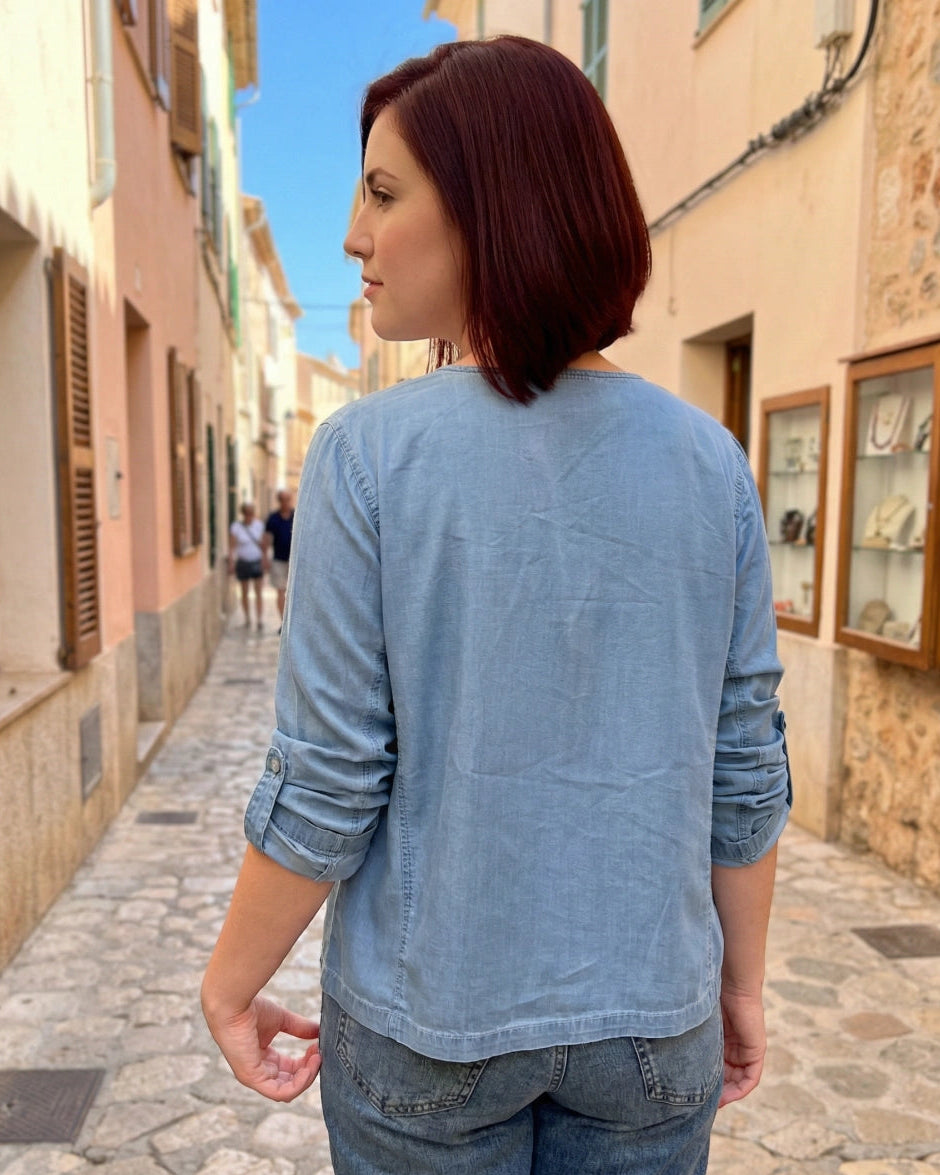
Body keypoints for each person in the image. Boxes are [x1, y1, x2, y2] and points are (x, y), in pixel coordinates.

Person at [202, 35, 791, 1175]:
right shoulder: (711, 464)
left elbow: (329, 775)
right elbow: (742, 769)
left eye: (382, 192)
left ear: (494, 205)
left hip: (429, 1022)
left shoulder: (368, 455)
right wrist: (738, 983)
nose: (352, 238)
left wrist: (231, 983)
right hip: (650, 1023)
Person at [228, 501, 265, 631]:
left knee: (258, 592)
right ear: (243, 513)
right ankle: (247, 618)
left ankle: (259, 619)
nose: (249, 515)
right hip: (243, 562)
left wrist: (264, 561)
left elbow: (264, 545)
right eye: (247, 513)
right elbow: (231, 546)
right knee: (244, 592)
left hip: (256, 561)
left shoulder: (259, 525)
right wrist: (231, 562)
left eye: (251, 513)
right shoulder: (236, 527)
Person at [263, 489, 295, 631]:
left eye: (288, 499)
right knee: (281, 591)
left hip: (294, 561)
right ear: (279, 501)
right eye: (283, 500)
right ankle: (284, 622)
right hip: (278, 560)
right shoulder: (273, 518)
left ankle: (293, 622)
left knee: (294, 591)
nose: (286, 502)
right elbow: (267, 538)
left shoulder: (296, 515)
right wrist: (265, 557)